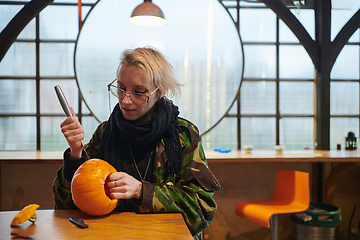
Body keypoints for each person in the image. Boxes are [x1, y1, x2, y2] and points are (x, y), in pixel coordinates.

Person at [52, 46, 221, 239]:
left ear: (161, 91)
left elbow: (201, 209)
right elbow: (67, 206)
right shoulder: (105, 133)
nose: (125, 100)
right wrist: (76, 154)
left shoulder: (182, 135)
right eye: (121, 89)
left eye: (139, 92)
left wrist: (142, 191)